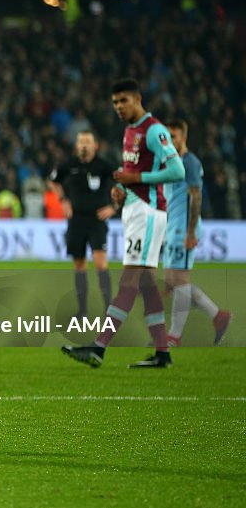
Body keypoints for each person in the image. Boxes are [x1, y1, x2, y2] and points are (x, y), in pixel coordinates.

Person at [63, 79, 185, 368]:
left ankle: (98, 347)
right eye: (115, 102)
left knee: (129, 279)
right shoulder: (129, 131)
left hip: (148, 212)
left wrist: (136, 180)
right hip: (134, 207)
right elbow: (134, 173)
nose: (118, 107)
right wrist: (123, 191)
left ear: (137, 99)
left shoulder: (153, 130)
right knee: (146, 284)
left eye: (123, 101)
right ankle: (162, 353)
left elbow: (177, 170)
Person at [161, 120, 232, 346]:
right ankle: (218, 316)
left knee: (180, 280)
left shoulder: (190, 163)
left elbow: (196, 196)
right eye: (168, 137)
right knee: (173, 281)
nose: (171, 141)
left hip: (184, 228)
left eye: (174, 136)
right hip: (173, 227)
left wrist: (191, 231)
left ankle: (173, 336)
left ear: (183, 137)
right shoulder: (168, 163)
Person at [49, 131, 116, 318]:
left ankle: (108, 310)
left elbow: (122, 185)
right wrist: (63, 200)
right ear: (76, 146)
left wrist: (113, 207)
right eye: (80, 142)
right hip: (76, 221)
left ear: (95, 145)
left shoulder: (104, 166)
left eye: (87, 141)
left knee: (100, 264)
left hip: (96, 222)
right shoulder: (68, 165)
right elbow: (53, 181)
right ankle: (83, 311)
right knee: (79, 265)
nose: (83, 145)